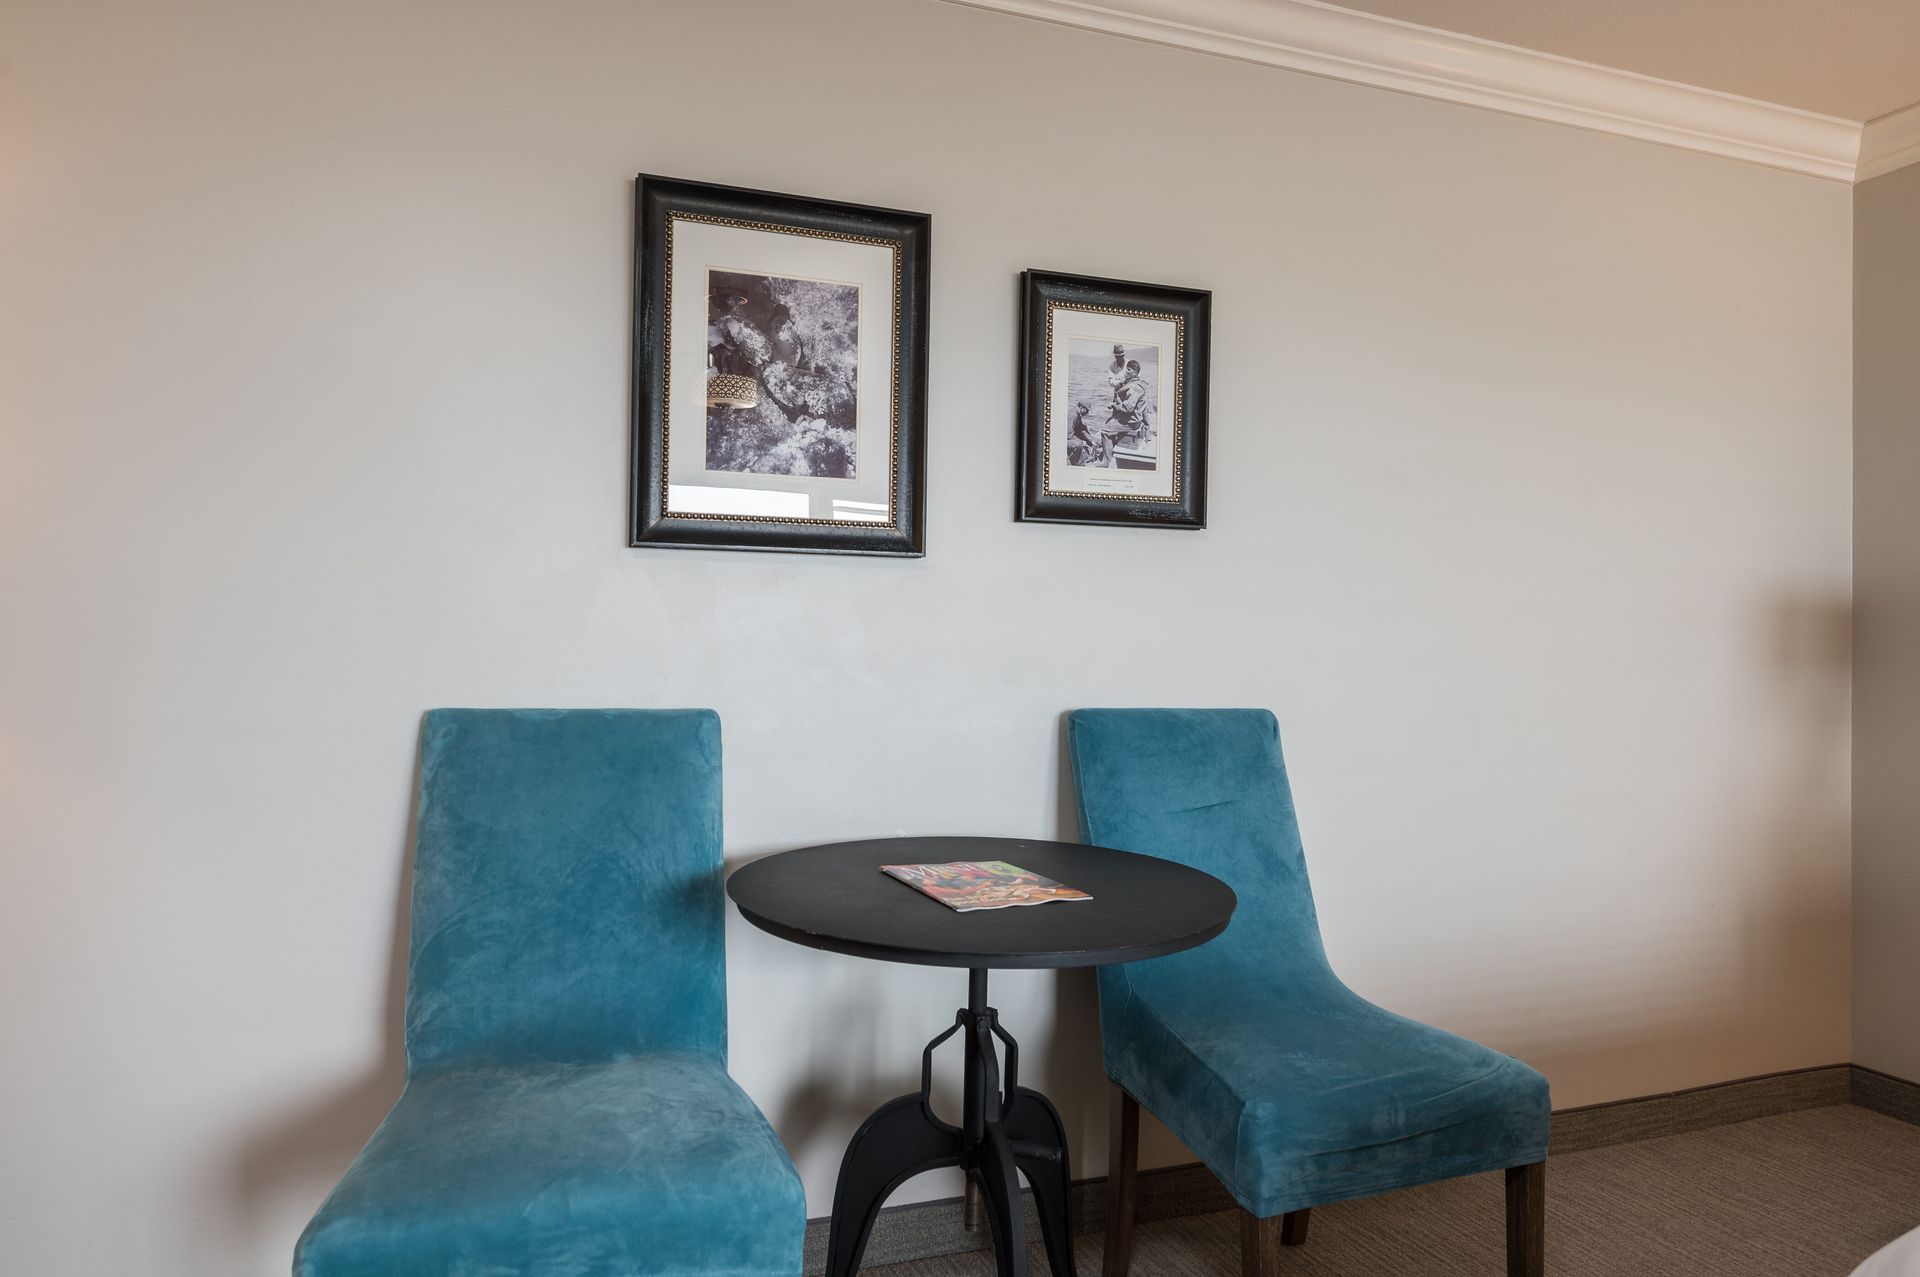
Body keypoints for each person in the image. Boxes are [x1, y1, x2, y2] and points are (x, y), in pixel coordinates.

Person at [1108, 359, 1151, 448]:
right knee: (1143, 407)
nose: (1126, 372)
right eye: (1126, 369)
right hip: (1134, 414)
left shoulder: (1135, 387)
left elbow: (1127, 408)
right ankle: (1147, 431)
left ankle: (1107, 457)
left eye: (1129, 370)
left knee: (1106, 429)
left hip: (1131, 419)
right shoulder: (1137, 382)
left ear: (1135, 373)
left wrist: (1114, 406)